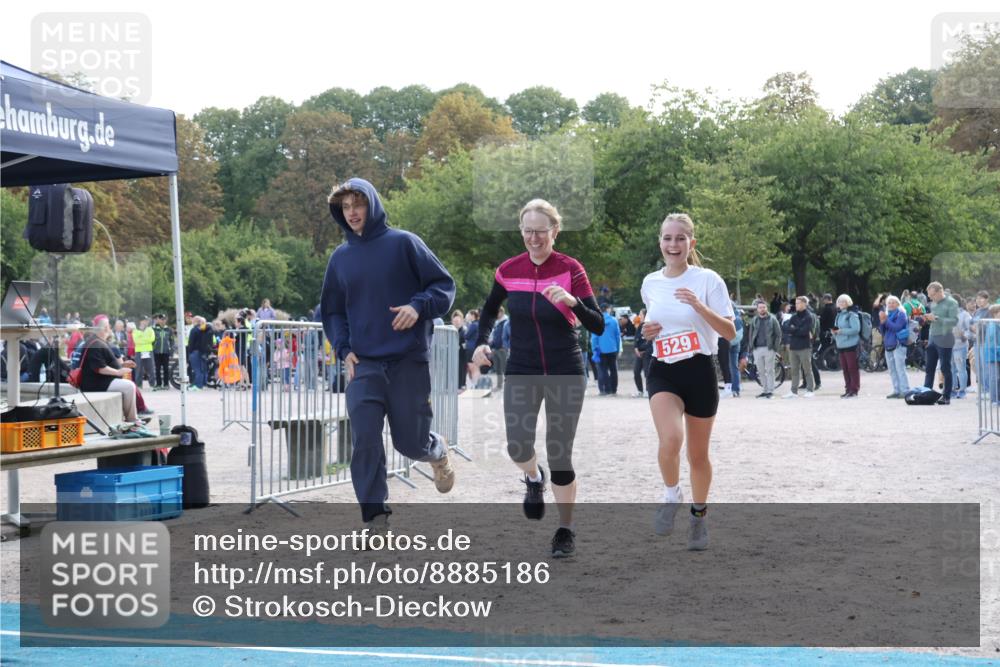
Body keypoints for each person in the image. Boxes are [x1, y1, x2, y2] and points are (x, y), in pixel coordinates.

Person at [321, 177, 457, 534]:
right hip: (364, 364)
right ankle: (376, 519)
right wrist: (344, 348)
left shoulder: (404, 243)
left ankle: (436, 449)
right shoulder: (340, 258)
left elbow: (444, 287)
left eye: (358, 204)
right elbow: (332, 311)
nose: (352, 212)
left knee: (409, 444)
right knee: (364, 438)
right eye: (345, 207)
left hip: (408, 361)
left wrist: (418, 306)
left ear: (373, 205)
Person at [471, 198, 604, 558]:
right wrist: (480, 343)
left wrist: (573, 302)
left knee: (560, 453)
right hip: (523, 368)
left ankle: (565, 529)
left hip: (565, 367)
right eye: (527, 231)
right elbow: (488, 310)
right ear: (521, 231)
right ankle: (533, 478)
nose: (533, 238)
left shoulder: (570, 268)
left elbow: (598, 322)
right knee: (517, 447)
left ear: (554, 232)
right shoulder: (508, 269)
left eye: (540, 231)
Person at [641, 213, 735, 552]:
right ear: (660, 242)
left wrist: (698, 306)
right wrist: (647, 332)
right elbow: (652, 327)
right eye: (667, 238)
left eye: (681, 238)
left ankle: (698, 515)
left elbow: (729, 331)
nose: (673, 244)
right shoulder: (650, 282)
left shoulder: (708, 280)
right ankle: (670, 495)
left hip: (699, 370)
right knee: (670, 438)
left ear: (691, 243)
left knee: (698, 455)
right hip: (663, 367)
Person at [78, 316, 142, 428]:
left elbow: (106, 364)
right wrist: (118, 372)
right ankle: (132, 419)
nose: (109, 328)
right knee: (129, 386)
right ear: (105, 328)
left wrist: (123, 364)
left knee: (129, 386)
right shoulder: (95, 344)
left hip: (100, 380)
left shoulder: (97, 341)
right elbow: (99, 368)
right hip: (96, 383)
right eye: (108, 326)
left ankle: (131, 418)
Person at [923, 281, 958, 405]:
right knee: (929, 367)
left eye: (932, 295)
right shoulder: (933, 303)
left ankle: (946, 396)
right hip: (933, 337)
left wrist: (936, 318)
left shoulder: (952, 303)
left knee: (945, 368)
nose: (931, 298)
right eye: (929, 296)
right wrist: (928, 319)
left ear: (940, 291)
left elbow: (954, 321)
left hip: (945, 338)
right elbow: (933, 321)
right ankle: (925, 392)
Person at [743, 301, 781, 399]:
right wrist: (751, 347)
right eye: (760, 307)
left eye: (764, 307)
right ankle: (765, 390)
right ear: (757, 309)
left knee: (770, 370)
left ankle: (770, 391)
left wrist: (774, 348)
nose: (762, 309)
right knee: (760, 371)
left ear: (766, 308)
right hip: (757, 349)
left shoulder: (773, 319)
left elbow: (778, 334)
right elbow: (751, 334)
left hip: (769, 348)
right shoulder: (755, 320)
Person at [783, 296, 815, 398]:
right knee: (794, 370)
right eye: (796, 303)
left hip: (804, 346)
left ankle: (810, 389)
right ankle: (793, 391)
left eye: (798, 303)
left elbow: (804, 331)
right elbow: (786, 328)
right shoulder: (793, 317)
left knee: (807, 369)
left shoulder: (808, 317)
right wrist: (796, 329)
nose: (796, 305)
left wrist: (794, 329)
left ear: (804, 304)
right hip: (793, 347)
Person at [879, 296, 910, 398]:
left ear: (898, 304)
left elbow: (896, 327)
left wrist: (886, 320)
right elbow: (882, 331)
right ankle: (896, 390)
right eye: (889, 303)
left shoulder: (901, 314)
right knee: (892, 369)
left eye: (893, 302)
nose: (891, 304)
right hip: (889, 344)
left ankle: (905, 391)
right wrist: (882, 322)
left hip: (899, 345)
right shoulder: (888, 315)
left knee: (900, 368)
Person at [832, 294, 861, 398]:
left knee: (852, 368)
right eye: (839, 302)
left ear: (848, 303)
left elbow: (856, 329)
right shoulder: (838, 315)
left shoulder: (852, 315)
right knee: (845, 369)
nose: (841, 303)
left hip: (850, 344)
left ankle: (854, 390)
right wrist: (834, 333)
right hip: (840, 344)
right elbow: (836, 328)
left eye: (843, 301)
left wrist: (841, 331)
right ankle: (848, 389)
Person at [594, 305, 621, 395]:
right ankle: (614, 390)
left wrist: (594, 348)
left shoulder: (597, 320)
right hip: (612, 349)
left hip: (601, 349)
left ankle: (605, 390)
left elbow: (594, 337)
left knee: (603, 370)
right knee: (613, 370)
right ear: (607, 309)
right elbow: (617, 336)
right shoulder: (614, 320)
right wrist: (618, 348)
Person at [952, 295, 972, 399]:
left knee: (961, 368)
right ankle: (952, 390)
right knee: (951, 369)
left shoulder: (965, 314)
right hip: (947, 346)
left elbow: (970, 329)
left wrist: (963, 336)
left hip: (960, 345)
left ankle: (962, 390)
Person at [489, 306, 510, 391]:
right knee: (497, 368)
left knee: (505, 368)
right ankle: (499, 385)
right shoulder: (497, 323)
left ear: (501, 312)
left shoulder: (506, 322)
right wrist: (492, 347)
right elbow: (495, 336)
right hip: (496, 349)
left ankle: (508, 385)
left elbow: (507, 336)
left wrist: (505, 347)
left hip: (503, 349)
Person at [131, 316, 155, 390]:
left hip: (148, 351)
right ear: (140, 322)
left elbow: (152, 339)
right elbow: (136, 341)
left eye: (146, 321)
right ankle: (138, 385)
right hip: (139, 352)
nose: (145, 322)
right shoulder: (135, 331)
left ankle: (152, 385)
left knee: (150, 368)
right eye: (143, 320)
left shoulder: (150, 330)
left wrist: (141, 338)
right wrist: (144, 338)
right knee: (139, 369)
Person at [152, 314, 173, 390]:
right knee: (157, 368)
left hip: (166, 352)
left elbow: (172, 341)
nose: (162, 321)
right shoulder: (154, 329)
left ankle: (166, 384)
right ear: (158, 320)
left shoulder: (169, 329)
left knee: (166, 368)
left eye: (164, 319)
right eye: (161, 319)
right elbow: (152, 340)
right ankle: (158, 384)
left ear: (166, 320)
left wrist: (171, 350)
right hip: (156, 352)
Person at [451, 309, 467, 391]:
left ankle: (461, 385)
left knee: (461, 368)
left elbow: (464, 341)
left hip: (462, 353)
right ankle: (457, 385)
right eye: (455, 321)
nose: (456, 322)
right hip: (454, 353)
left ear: (461, 321)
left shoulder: (464, 330)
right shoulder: (452, 330)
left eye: (458, 321)